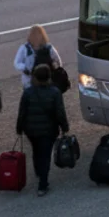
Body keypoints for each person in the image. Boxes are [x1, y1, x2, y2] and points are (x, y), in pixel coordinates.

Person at [16, 64, 69, 196]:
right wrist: (64, 127)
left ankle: (39, 172)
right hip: (49, 130)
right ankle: (43, 184)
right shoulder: (55, 92)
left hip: (31, 129)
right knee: (45, 155)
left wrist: (19, 127)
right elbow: (60, 112)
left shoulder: (28, 92)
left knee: (36, 150)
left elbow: (22, 112)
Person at [14, 25, 63, 90]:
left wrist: (26, 68)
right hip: (35, 82)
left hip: (37, 82)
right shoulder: (25, 48)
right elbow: (58, 61)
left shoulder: (48, 47)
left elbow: (17, 63)